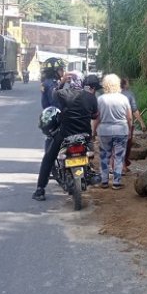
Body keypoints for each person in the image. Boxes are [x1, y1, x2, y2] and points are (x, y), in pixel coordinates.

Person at [32, 73, 99, 201]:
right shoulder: (90, 97)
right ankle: (88, 174)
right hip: (84, 135)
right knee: (90, 154)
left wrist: (62, 82)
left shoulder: (63, 94)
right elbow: (95, 115)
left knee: (48, 158)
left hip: (65, 135)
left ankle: (40, 189)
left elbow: (53, 94)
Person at [93, 74, 132, 190]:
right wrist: (129, 129)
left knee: (104, 156)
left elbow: (97, 118)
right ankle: (116, 182)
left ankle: (104, 181)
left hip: (104, 131)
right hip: (121, 130)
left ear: (105, 85)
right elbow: (129, 117)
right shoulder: (123, 98)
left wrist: (93, 131)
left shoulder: (100, 99)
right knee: (119, 157)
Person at [120, 77, 147, 173]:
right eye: (127, 82)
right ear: (124, 84)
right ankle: (123, 166)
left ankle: (117, 166)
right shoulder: (129, 94)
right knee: (126, 144)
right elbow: (134, 110)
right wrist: (142, 123)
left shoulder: (112, 94)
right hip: (126, 124)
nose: (129, 84)